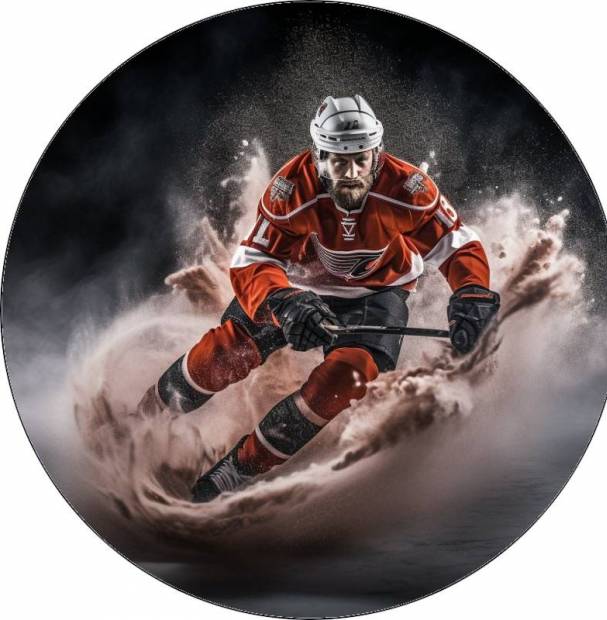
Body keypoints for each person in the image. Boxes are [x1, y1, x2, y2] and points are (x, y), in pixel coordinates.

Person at [137, 95, 500, 502]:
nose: (351, 174)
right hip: (296, 286)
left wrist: (471, 292)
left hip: (376, 292)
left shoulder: (408, 186)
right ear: (318, 157)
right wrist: (282, 300)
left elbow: (455, 242)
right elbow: (253, 259)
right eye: (339, 162)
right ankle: (144, 418)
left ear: (377, 154)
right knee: (228, 350)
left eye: (360, 160)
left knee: (347, 378)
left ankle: (237, 470)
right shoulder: (290, 188)